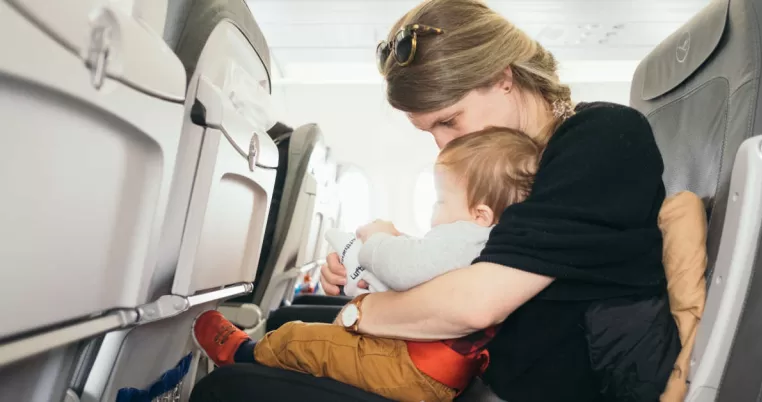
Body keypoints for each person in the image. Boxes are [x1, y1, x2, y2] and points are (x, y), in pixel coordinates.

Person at [190, 0, 681, 401]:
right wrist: (371, 263)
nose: (444, 143)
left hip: (524, 387)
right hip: (474, 374)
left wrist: (365, 309)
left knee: (231, 390)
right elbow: (482, 257)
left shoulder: (601, 138)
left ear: (504, 77)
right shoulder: (522, 159)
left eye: (449, 120)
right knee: (264, 355)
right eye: (429, 130)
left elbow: (476, 305)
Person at [192, 127, 542, 402]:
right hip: (428, 371)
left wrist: (378, 239)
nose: (435, 211)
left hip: (410, 368)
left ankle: (245, 353)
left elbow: (406, 268)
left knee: (305, 338)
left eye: (440, 200)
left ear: (480, 213)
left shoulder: (467, 235)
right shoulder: (488, 241)